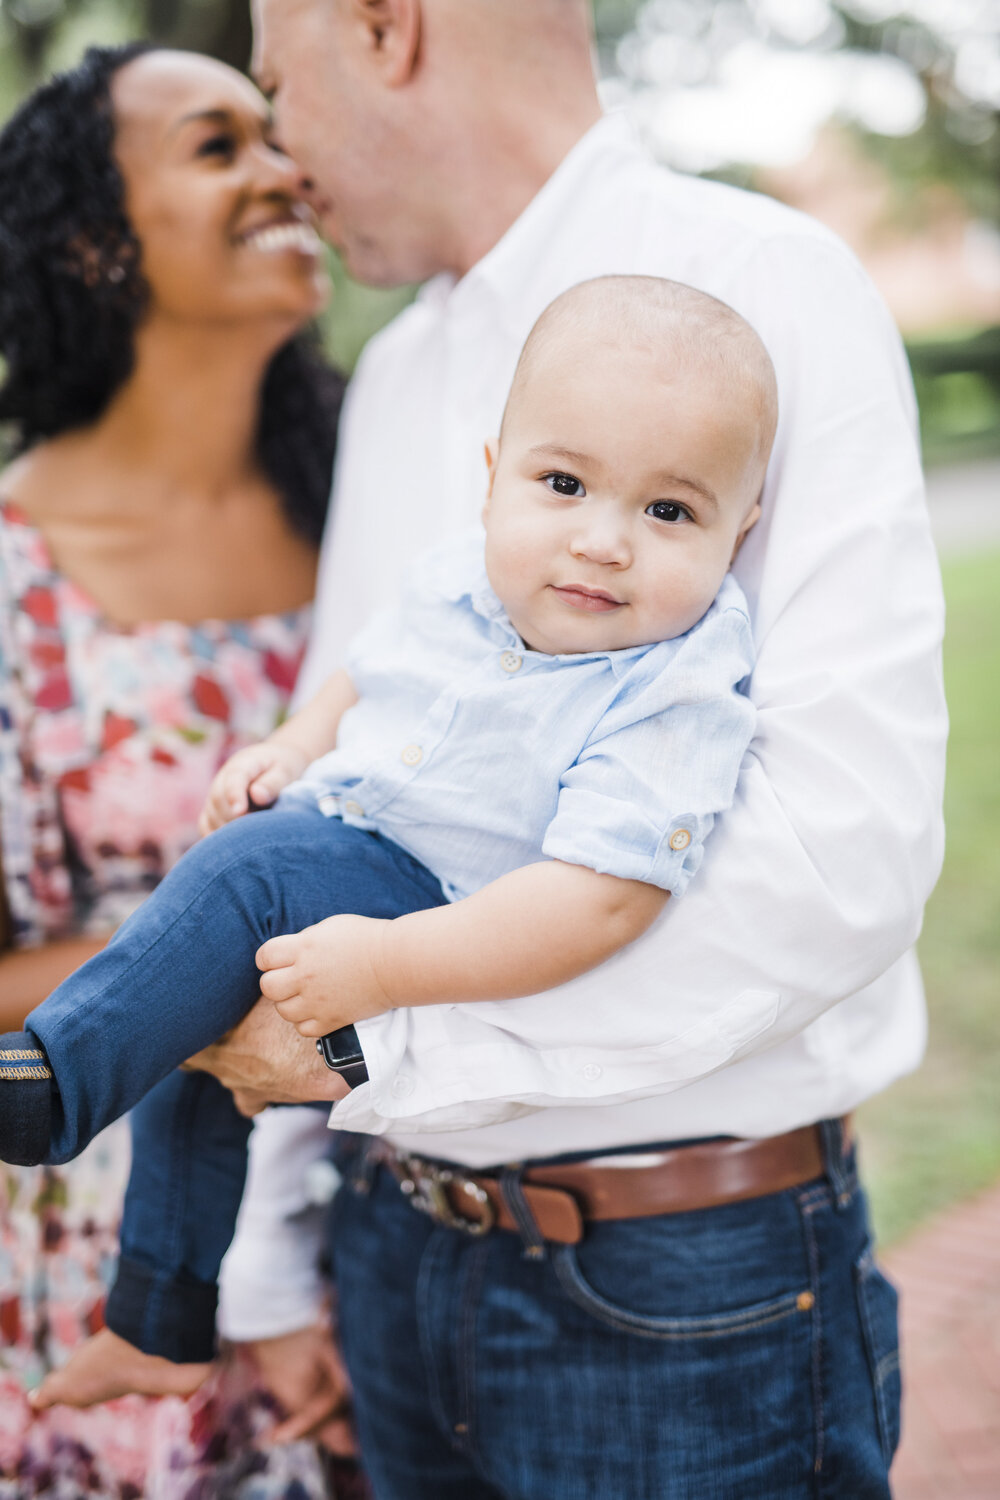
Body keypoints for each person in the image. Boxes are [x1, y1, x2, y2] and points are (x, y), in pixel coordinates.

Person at [36, 3, 948, 1497]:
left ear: (386, 29)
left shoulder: (766, 283)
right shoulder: (396, 377)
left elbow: (835, 866)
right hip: (389, 1261)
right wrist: (270, 1275)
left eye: (277, 87)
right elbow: (352, 785)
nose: (282, 147)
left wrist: (376, 1038)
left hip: (675, 1295)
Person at [3, 278, 773, 1317]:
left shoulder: (675, 681)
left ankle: (51, 1086)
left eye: (669, 509)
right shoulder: (461, 576)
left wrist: (381, 965)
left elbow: (603, 900)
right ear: (495, 478)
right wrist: (289, 746)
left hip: (445, 910)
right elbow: (364, 675)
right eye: (562, 485)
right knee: (194, 1049)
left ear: (740, 530)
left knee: (244, 870)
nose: (603, 539)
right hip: (351, 835)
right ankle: (161, 1304)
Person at [0, 39, 353, 1500]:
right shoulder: (16, 574)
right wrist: (215, 973)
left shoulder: (370, 503)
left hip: (378, 1218)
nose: (285, 172)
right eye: (219, 147)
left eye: (278, 138)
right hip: (99, 1242)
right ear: (93, 236)